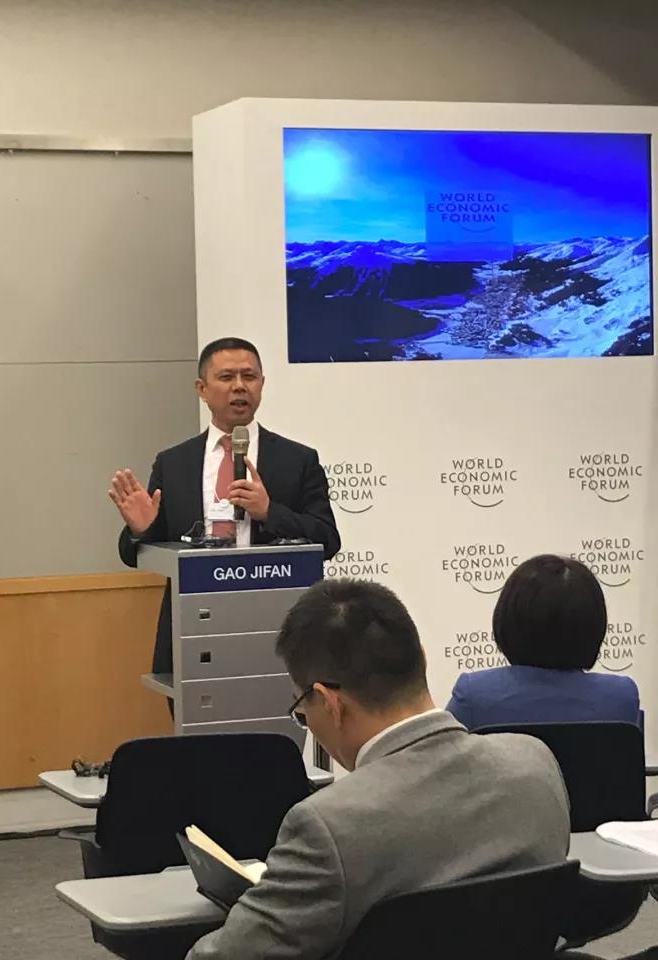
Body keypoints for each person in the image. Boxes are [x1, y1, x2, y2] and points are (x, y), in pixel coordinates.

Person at [186, 579, 570, 960]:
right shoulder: (535, 764)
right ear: (422, 657)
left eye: (302, 712)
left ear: (329, 702)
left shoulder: (328, 826)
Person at [109, 337, 340, 674]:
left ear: (262, 385)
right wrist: (142, 530)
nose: (240, 387)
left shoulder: (298, 459)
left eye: (249, 376)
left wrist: (270, 512)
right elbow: (133, 555)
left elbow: (328, 540)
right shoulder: (174, 463)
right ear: (202, 389)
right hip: (193, 622)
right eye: (227, 377)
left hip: (277, 621)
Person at [446, 554, 642, 730]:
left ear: (509, 620)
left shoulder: (474, 696)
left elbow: (442, 754)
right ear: (595, 624)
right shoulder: (620, 697)